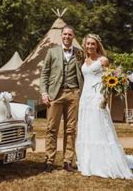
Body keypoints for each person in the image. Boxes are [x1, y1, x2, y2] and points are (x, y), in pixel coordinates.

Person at [76, 33, 133, 179]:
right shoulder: (83, 60)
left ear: (97, 45)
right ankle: (88, 162)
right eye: (88, 44)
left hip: (98, 96)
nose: (90, 46)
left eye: (93, 44)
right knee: (87, 127)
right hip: (85, 97)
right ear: (84, 45)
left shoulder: (103, 60)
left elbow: (109, 80)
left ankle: (104, 163)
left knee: (100, 127)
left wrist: (105, 98)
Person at [39, 25, 85, 172]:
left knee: (71, 129)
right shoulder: (52, 52)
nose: (67, 37)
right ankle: (49, 160)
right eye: (64, 34)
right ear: (61, 36)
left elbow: (85, 72)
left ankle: (68, 161)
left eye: (69, 35)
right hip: (55, 94)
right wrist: (44, 93)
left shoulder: (79, 54)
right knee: (51, 128)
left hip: (73, 94)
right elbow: (44, 74)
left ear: (73, 36)